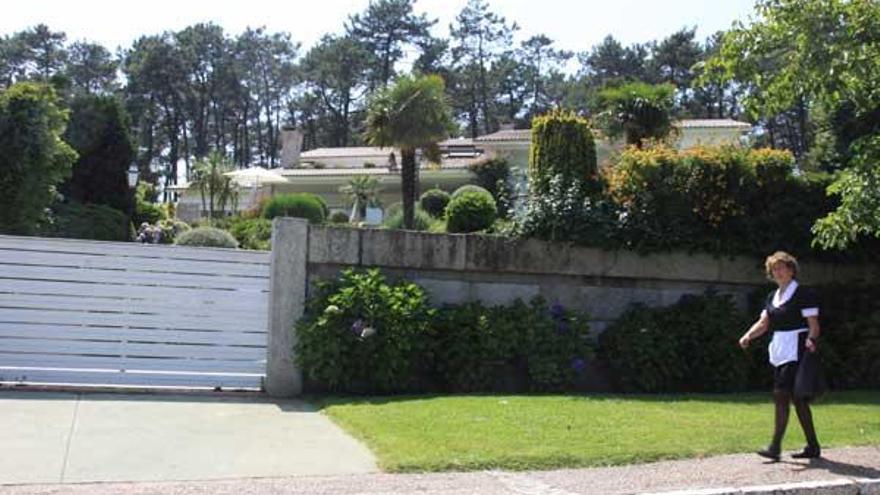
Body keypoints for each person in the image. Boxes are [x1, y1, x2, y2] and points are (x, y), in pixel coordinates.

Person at [738, 251, 822, 461]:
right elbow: (764, 324)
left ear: (792, 270)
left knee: (781, 393)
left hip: (797, 348)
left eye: (782, 267)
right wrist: (748, 335)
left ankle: (775, 447)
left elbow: (814, 326)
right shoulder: (772, 297)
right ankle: (813, 447)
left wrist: (812, 340)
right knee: (798, 400)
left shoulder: (804, 294)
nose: (778, 272)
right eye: (774, 269)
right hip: (779, 348)